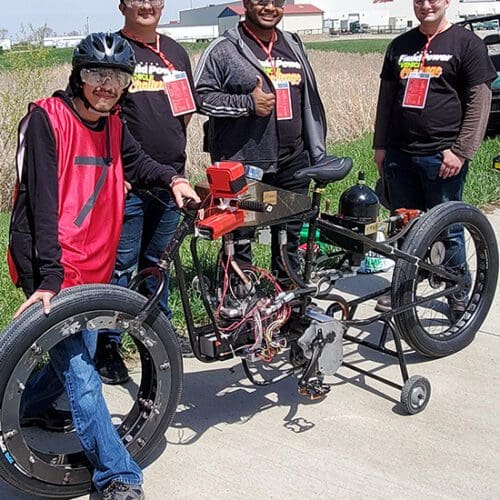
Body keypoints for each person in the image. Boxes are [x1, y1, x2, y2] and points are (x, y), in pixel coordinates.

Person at [7, 32, 199, 500]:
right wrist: (49, 278)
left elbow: (138, 162)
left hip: (93, 261)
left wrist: (173, 179)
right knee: (81, 374)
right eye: (96, 73)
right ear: (78, 74)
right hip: (51, 266)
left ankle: (31, 407)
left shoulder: (113, 125)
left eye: (116, 76)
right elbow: (42, 205)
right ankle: (117, 475)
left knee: (78, 356)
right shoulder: (46, 120)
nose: (106, 85)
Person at [194, 0, 348, 277]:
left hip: (294, 160)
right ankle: (238, 305)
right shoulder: (224, 48)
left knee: (288, 237)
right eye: (261, 1)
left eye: (276, 2)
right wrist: (247, 104)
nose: (269, 7)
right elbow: (200, 97)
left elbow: (307, 98)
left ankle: (287, 303)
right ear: (245, 4)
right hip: (244, 165)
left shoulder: (292, 44)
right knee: (240, 239)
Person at [94, 0, 198, 385]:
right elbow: (99, 114)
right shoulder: (113, 49)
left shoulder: (175, 53)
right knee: (120, 268)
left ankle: (159, 342)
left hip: (171, 180)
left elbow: (185, 112)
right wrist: (113, 169)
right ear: (122, 4)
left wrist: (175, 168)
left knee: (159, 265)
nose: (146, 4)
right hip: (129, 183)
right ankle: (108, 345)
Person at [373, 0, 496, 317]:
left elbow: (479, 101)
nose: (426, 5)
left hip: (442, 156)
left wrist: (461, 150)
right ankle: (403, 287)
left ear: (447, 2)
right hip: (399, 154)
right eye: (419, 0)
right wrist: (380, 146)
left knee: (449, 228)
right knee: (403, 226)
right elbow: (386, 99)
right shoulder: (400, 46)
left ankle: (458, 290)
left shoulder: (467, 44)